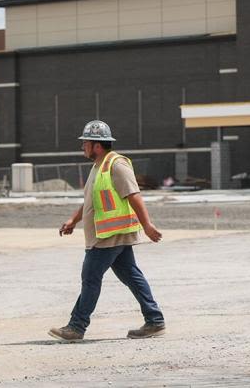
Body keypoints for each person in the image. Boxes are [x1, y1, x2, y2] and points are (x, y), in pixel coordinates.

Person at [49, 120, 165, 342]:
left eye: (86, 143)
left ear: (97, 145)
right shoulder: (98, 167)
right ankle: (154, 320)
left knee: (90, 278)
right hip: (111, 233)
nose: (82, 146)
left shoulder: (116, 165)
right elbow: (91, 201)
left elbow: (134, 195)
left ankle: (76, 326)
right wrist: (74, 219)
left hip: (108, 236)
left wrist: (147, 225)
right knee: (131, 275)